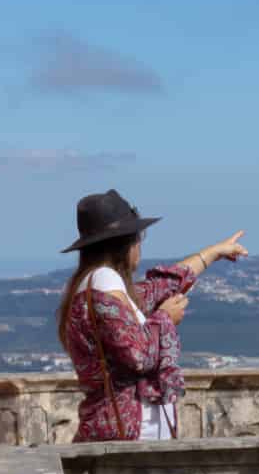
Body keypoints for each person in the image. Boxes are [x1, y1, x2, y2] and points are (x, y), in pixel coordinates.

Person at [55, 189, 248, 443]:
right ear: (125, 244)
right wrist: (166, 318)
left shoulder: (99, 285)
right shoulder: (104, 281)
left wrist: (213, 252)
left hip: (130, 433)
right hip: (127, 435)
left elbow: (159, 287)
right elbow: (137, 355)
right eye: (139, 238)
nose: (140, 246)